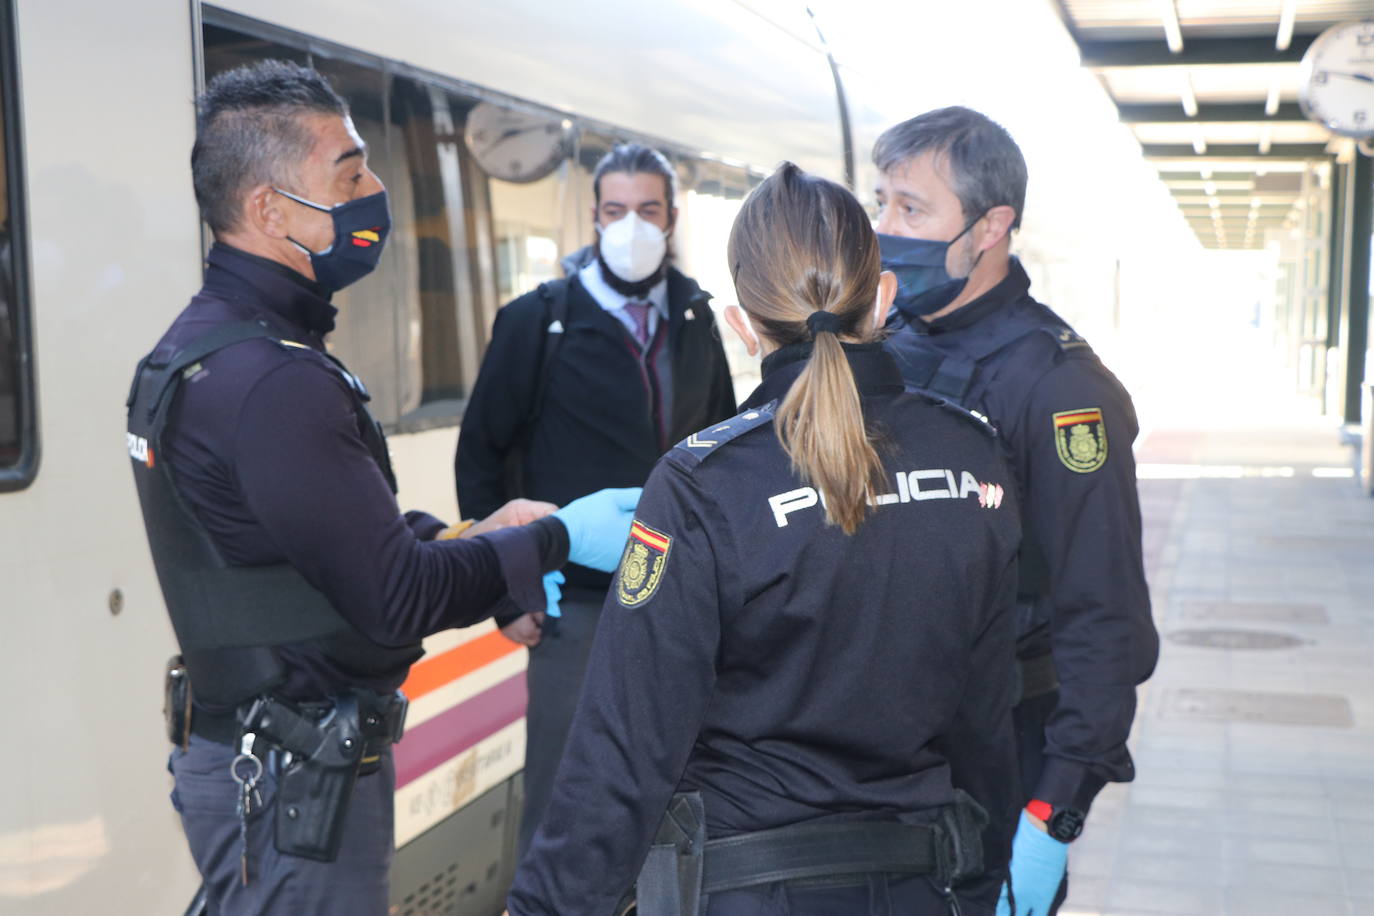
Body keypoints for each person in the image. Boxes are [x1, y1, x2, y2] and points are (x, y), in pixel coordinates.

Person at [126, 60, 637, 916]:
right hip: (296, 787)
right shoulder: (269, 382)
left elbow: (315, 548)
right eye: (350, 171)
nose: (374, 190)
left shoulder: (211, 351)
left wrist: (473, 537)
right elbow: (392, 598)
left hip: (269, 768)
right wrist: (551, 539)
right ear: (269, 211)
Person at [507, 162, 1023, 916]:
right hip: (922, 882)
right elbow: (987, 717)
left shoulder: (703, 483)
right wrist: (981, 882)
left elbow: (626, 743)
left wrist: (547, 907)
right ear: (883, 300)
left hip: (746, 891)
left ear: (741, 324)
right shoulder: (974, 454)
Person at [872, 106, 1160, 915]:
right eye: (882, 202)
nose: (885, 227)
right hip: (877, 739)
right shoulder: (882, 348)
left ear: (991, 226)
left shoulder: (1060, 389)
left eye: (912, 208)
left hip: (995, 748)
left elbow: (1107, 619)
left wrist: (1053, 816)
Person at [455, 142, 737, 854]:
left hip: (681, 601)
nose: (631, 226)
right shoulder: (538, 321)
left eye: (647, 210)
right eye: (615, 211)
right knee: (565, 794)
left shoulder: (699, 318)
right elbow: (480, 457)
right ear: (593, 217)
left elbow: (727, 455)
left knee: (681, 789)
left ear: (672, 217)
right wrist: (505, 590)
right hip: (574, 605)